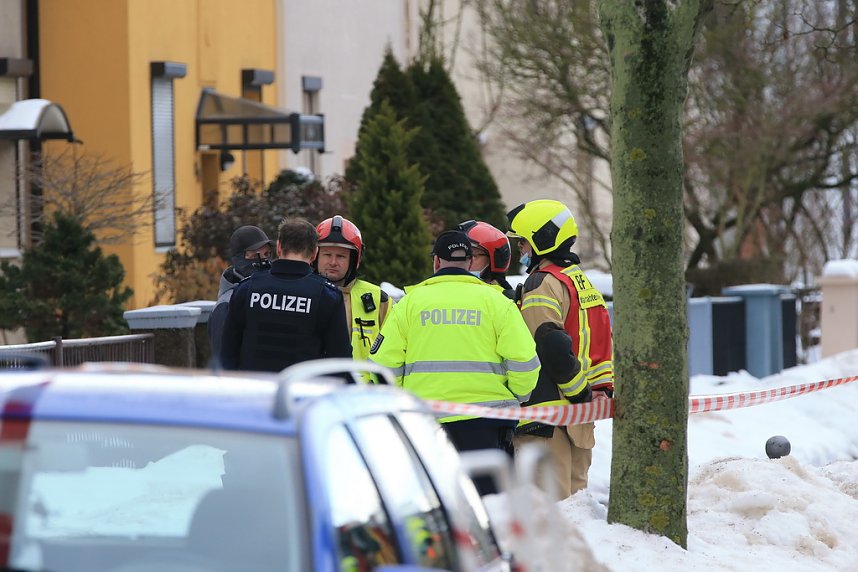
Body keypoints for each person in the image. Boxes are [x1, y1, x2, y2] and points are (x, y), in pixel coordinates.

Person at [369, 230, 540, 492]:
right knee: (491, 509)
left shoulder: (409, 304)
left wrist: (401, 401)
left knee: (437, 506)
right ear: (471, 263)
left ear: (436, 262)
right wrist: (517, 396)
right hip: (488, 424)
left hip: (425, 424)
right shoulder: (497, 303)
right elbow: (525, 361)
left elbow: (383, 366)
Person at [506, 199, 614, 499]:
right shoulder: (581, 282)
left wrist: (577, 390)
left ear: (542, 239)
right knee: (576, 512)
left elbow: (548, 342)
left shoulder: (542, 282)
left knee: (548, 516)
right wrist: (589, 394)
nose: (522, 252)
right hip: (579, 420)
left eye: (525, 244)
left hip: (547, 418)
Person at [220, 217, 352, 372]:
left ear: (279, 248)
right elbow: (340, 362)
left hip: (253, 391)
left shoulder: (246, 289)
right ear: (315, 253)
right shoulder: (327, 296)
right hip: (301, 392)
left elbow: (227, 355)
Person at [315, 215, 393, 363]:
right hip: (313, 383)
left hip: (362, 385)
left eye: (341, 256)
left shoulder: (379, 299)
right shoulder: (304, 293)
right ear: (315, 255)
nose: (333, 262)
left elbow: (394, 349)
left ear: (354, 260)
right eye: (327, 254)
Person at [208, 225, 274, 362]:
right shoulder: (226, 305)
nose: (264, 261)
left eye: (267, 254)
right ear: (240, 258)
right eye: (256, 255)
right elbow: (222, 356)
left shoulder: (264, 295)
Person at [457, 219, 515, 298]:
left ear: (495, 259)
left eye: (472, 255)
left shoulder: (506, 299)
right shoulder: (448, 292)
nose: (465, 261)